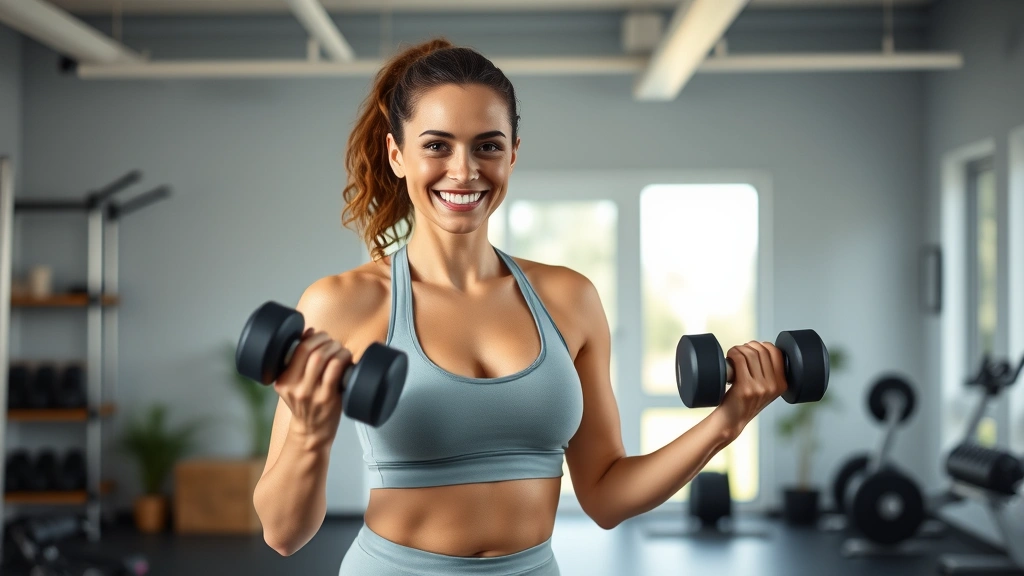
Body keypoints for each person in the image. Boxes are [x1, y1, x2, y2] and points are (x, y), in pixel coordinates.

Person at [251, 38, 788, 576]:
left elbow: (604, 495)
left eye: (486, 146)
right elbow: (282, 533)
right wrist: (309, 430)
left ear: (512, 153)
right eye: (437, 146)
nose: (463, 171)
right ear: (397, 154)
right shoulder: (342, 304)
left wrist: (729, 419)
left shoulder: (569, 298)